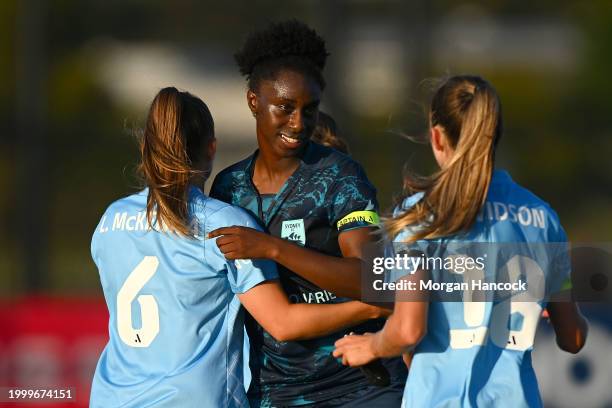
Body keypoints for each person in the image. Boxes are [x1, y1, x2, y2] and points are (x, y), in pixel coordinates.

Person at [89, 87, 388, 408]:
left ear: (145, 147)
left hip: (113, 398)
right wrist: (373, 306)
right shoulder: (223, 224)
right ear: (211, 149)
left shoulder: (111, 220)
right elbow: (282, 323)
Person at [333, 75, 588, 407]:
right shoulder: (543, 218)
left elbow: (409, 331)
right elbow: (574, 338)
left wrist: (372, 345)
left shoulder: (418, 217)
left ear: (437, 138)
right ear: (495, 136)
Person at [208, 20, 407, 407]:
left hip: (362, 388)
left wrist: (273, 249)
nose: (299, 123)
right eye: (285, 107)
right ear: (253, 101)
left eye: (309, 110)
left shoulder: (340, 177)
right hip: (276, 393)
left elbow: (374, 279)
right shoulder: (229, 188)